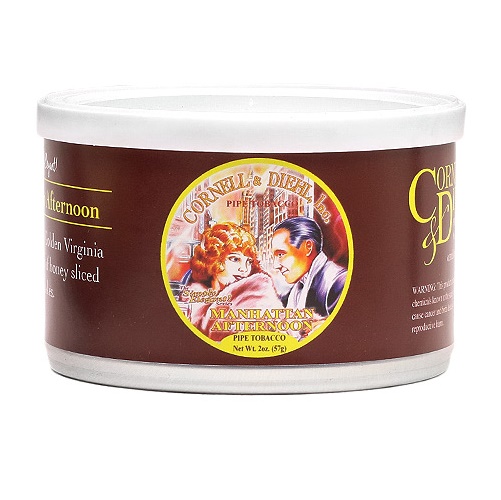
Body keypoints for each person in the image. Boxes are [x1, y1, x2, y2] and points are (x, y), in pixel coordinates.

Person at [183, 222, 282, 340]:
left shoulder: (258, 292)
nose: (244, 269)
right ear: (213, 259)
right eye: (235, 259)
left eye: (249, 262)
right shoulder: (193, 299)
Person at [271, 217, 347, 318]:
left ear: (308, 247)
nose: (275, 265)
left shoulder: (337, 283)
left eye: (281, 254)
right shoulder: (297, 289)